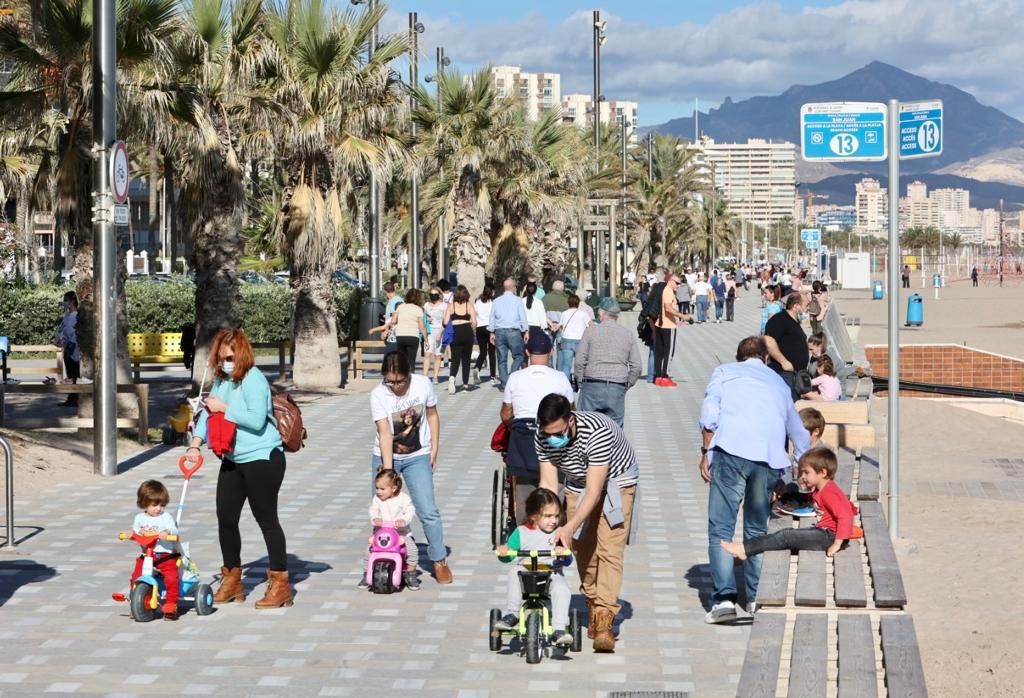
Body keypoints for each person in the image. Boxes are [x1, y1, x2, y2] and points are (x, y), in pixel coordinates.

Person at [699, 336, 810, 623]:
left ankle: (724, 600)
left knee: (721, 527)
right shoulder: (778, 383)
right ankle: (755, 598)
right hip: (767, 460)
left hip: (730, 452)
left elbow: (710, 413)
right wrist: (798, 467)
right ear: (766, 358)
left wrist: (706, 452)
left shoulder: (724, 372)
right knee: (756, 530)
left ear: (739, 356)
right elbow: (798, 432)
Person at [187, 328, 291, 609]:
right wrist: (195, 445)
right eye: (221, 358)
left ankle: (280, 583)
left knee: (266, 518)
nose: (225, 362)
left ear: (241, 354)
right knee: (226, 517)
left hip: (262, 457)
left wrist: (224, 408)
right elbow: (208, 414)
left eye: (230, 357)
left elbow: (256, 420)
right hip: (232, 458)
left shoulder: (253, 379)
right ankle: (232, 579)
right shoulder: (222, 380)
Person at [536, 393, 639, 653]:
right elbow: (548, 483)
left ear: (570, 420)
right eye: (548, 434)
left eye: (558, 432)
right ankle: (593, 600)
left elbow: (595, 490)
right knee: (582, 548)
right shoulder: (542, 436)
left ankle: (605, 620)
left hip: (617, 483)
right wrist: (542, 521)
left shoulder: (597, 432)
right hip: (576, 483)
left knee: (609, 548)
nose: (552, 439)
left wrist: (569, 526)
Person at [369, 351, 452, 584]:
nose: (395, 386)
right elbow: (385, 433)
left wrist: (434, 447)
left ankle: (439, 560)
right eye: (390, 381)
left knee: (428, 510)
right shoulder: (378, 395)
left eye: (399, 381)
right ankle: (379, 559)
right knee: (381, 509)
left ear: (409, 375)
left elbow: (433, 415)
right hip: (386, 455)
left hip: (418, 455)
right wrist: (388, 475)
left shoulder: (423, 385)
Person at [721, 448, 858, 561]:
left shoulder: (830, 492)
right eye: (802, 472)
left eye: (806, 472)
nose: (803, 476)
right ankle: (746, 548)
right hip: (825, 533)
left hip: (829, 537)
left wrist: (836, 544)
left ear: (822, 472)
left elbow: (845, 515)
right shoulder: (822, 489)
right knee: (784, 534)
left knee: (786, 536)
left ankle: (746, 549)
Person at [501, 332, 575, 523]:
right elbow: (571, 412)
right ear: (550, 352)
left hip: (522, 438)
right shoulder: (560, 378)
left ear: (527, 351)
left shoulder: (516, 377)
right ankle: (554, 525)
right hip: (552, 438)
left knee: (524, 490)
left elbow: (506, 414)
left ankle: (525, 530)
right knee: (554, 486)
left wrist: (512, 428)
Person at [493, 488, 575, 648]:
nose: (554, 521)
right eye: (548, 516)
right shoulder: (521, 532)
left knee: (562, 589)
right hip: (526, 576)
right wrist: (504, 551)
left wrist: (562, 553)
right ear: (533, 516)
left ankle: (559, 628)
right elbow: (509, 555)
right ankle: (513, 614)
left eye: (557, 516)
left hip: (551, 575)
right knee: (514, 572)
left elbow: (568, 559)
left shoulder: (559, 533)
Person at [574, 298, 642, 426]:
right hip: (616, 386)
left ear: (601, 314)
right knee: (614, 431)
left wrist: (580, 381)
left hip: (592, 385)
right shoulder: (628, 334)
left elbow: (579, 361)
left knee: (585, 427)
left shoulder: (590, 331)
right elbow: (637, 366)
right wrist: (626, 384)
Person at [122, 480, 180, 620]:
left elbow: (173, 529)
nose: (158, 508)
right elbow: (136, 532)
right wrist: (130, 534)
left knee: (171, 578)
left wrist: (167, 532)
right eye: (154, 505)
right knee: (135, 577)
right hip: (146, 555)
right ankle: (137, 603)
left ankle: (171, 604)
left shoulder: (166, 518)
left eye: (162, 505)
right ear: (144, 503)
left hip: (164, 556)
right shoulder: (139, 518)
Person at [368, 469, 419, 590]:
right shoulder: (377, 499)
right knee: (368, 551)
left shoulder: (403, 498)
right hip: (382, 534)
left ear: (394, 488)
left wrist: (403, 520)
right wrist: (375, 518)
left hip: (401, 534)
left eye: (382, 489)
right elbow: (373, 510)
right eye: (377, 488)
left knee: (412, 551)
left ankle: (410, 574)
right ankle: (367, 573)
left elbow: (410, 510)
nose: (378, 492)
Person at [763, 293, 808, 400]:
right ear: (796, 306)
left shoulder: (794, 321)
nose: (808, 307)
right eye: (806, 304)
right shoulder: (780, 319)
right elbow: (767, 340)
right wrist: (784, 362)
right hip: (784, 373)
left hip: (795, 375)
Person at [489, 278, 529, 390]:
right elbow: (522, 316)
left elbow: (492, 317)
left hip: (500, 331)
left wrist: (492, 332)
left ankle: (504, 383)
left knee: (501, 359)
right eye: (515, 286)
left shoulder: (496, 301)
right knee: (519, 356)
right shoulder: (517, 301)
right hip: (513, 331)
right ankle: (513, 374)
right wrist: (526, 330)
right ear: (512, 288)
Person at [380, 288, 427, 373]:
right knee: (411, 361)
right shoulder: (418, 309)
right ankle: (410, 379)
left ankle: (402, 379)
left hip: (401, 336)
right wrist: (426, 340)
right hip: (413, 337)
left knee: (402, 360)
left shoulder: (400, 307)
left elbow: (393, 321)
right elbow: (422, 327)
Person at [654, 275, 687, 387]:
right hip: (668, 325)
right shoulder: (668, 291)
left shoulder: (663, 290)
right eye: (677, 283)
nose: (678, 286)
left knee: (659, 352)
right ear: (671, 281)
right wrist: (681, 315)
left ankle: (658, 377)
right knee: (668, 353)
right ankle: (665, 377)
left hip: (660, 324)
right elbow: (668, 308)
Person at [549, 293, 591, 383]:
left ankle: (566, 383)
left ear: (568, 303)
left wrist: (551, 325)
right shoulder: (583, 313)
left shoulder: (564, 313)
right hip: (580, 341)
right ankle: (579, 383)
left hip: (567, 340)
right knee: (580, 364)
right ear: (578, 303)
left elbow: (559, 326)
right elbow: (591, 325)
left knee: (566, 365)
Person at [443, 285, 477, 394]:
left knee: (455, 359)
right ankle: (465, 385)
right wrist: (474, 331)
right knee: (466, 359)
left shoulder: (451, 306)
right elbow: (474, 322)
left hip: (455, 332)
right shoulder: (469, 305)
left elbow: (445, 321)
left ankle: (452, 377)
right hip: (467, 331)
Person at [55, 291, 80, 406]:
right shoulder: (67, 316)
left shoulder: (77, 316)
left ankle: (76, 398)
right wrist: (60, 339)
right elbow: (63, 330)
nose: (65, 303)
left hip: (74, 349)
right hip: (67, 348)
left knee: (75, 374)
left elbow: (74, 333)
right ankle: (71, 398)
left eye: (66, 300)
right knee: (70, 374)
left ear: (72, 301)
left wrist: (69, 342)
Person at [422, 288, 448, 383]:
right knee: (427, 354)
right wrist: (426, 320)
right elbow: (423, 318)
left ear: (439, 295)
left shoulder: (444, 306)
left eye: (435, 294)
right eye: (431, 294)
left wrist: (440, 333)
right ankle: (424, 376)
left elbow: (445, 321)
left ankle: (435, 377)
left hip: (440, 332)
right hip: (429, 332)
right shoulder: (426, 305)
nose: (433, 296)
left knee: (438, 355)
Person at [474, 286, 497, 385]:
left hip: (480, 328)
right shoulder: (493, 303)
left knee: (483, 352)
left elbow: (475, 314)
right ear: (491, 292)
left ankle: (477, 368)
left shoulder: (478, 301)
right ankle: (492, 376)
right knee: (491, 352)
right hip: (490, 328)